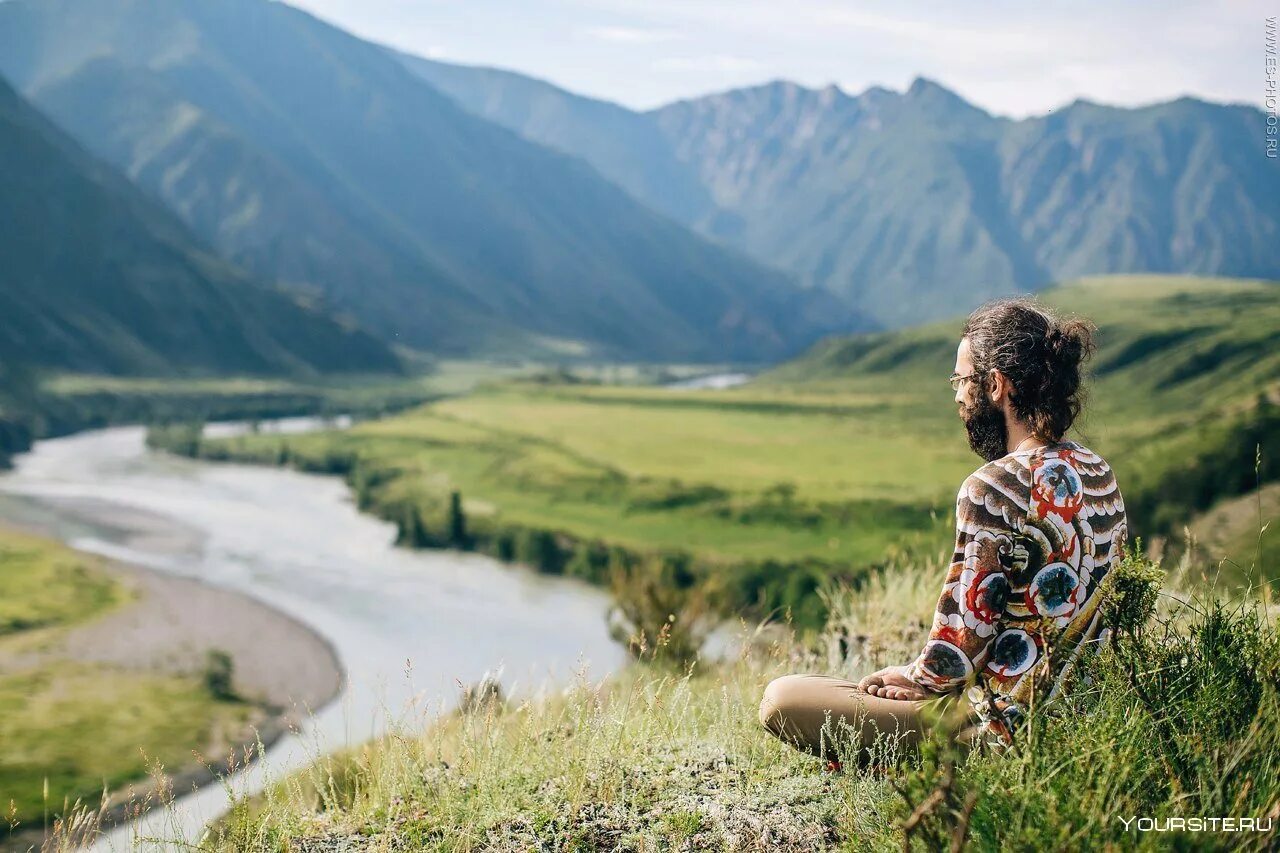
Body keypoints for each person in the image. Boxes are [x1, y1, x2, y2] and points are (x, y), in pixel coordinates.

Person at [758, 297, 1130, 768]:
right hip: (1085, 714)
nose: (956, 395)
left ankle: (914, 764)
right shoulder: (1098, 471)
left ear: (995, 385)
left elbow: (962, 642)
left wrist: (917, 678)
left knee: (782, 697)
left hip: (1001, 725)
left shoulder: (995, 488)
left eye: (961, 380)